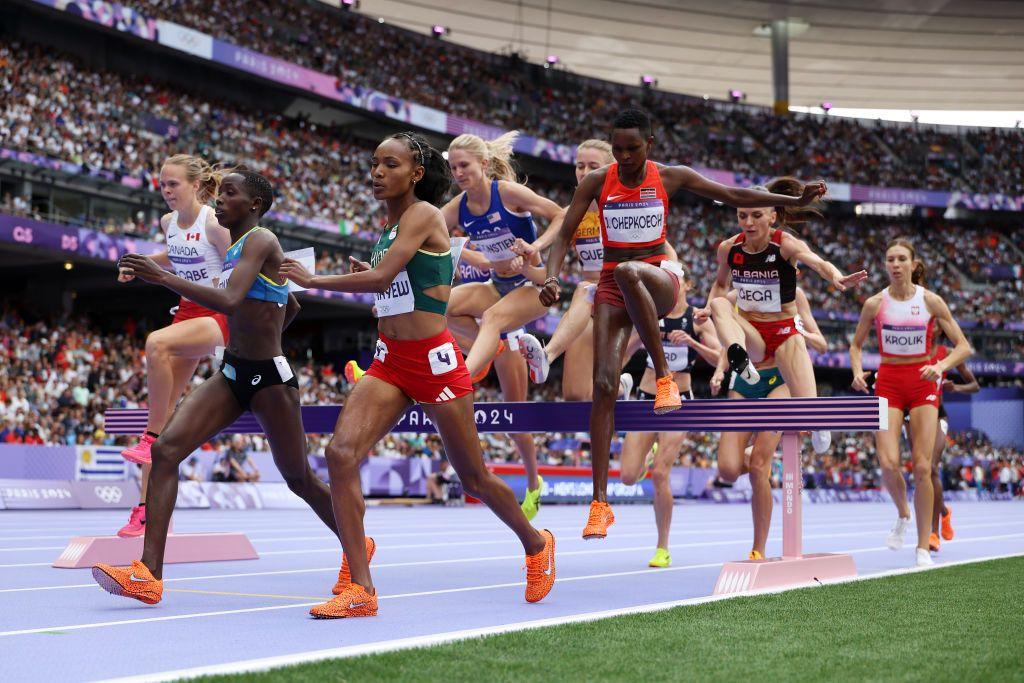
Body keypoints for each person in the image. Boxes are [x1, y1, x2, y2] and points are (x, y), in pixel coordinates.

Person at [280, 132, 555, 618]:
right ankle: (361, 589)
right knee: (340, 454)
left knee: (473, 476)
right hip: (390, 360)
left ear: (417, 174)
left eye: (390, 164)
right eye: (374, 164)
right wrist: (373, 271)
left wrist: (317, 280)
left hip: (433, 361)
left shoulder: (425, 214)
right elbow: (396, 281)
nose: (377, 172)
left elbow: (384, 279)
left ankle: (536, 544)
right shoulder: (389, 226)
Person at [540, 108, 830, 540]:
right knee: (603, 385)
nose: (624, 156)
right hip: (612, 287)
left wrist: (792, 202)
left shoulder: (670, 176)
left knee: (628, 271)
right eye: (617, 149)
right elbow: (563, 234)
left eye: (632, 148)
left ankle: (664, 380)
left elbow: (734, 194)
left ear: (649, 145)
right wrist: (552, 276)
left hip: (660, 277)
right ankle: (599, 504)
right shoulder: (597, 183)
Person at [92, 170, 345, 605]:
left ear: (255, 206)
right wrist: (261, 329)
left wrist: (163, 277)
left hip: (269, 379)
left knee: (298, 478)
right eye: (218, 191)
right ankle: (148, 574)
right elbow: (293, 301)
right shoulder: (235, 251)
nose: (220, 199)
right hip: (232, 372)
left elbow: (229, 303)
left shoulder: (261, 239)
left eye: (230, 193)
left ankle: (356, 542)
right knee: (166, 450)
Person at [439, 131, 566, 521]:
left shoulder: (507, 193)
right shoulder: (457, 208)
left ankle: (532, 481)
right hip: (496, 288)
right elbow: (427, 237)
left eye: (465, 165)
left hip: (533, 286)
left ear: (483, 165)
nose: (459, 172)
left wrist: (534, 247)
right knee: (440, 305)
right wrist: (480, 260)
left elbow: (561, 215)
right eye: (454, 167)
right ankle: (488, 345)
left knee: (515, 411)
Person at [697, 178, 867, 457]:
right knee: (719, 304)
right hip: (753, 336)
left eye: (756, 215)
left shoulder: (785, 244)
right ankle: (739, 359)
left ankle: (818, 419)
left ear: (773, 215)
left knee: (809, 414)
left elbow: (817, 262)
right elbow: (719, 285)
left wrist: (836, 277)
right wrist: (707, 306)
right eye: (742, 216)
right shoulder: (729, 248)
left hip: (785, 334)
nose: (748, 222)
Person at [116, 154, 231, 538]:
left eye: (173, 184)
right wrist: (141, 263)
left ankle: (147, 439)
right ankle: (143, 511)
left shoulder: (214, 223)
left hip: (218, 314)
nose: (166, 191)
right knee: (164, 422)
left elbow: (243, 261)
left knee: (156, 343)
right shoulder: (168, 223)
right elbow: (176, 253)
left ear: (195, 185)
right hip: (186, 313)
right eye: (162, 184)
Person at [850, 238, 972, 567]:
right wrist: (859, 371)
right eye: (890, 259)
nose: (895, 264)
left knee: (922, 466)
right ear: (886, 265)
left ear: (913, 264)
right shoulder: (875, 304)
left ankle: (922, 547)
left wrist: (940, 366)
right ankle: (903, 513)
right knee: (888, 464)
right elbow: (856, 346)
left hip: (922, 384)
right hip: (888, 382)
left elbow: (963, 347)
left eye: (902, 258)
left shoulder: (931, 301)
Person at [712, 287, 826, 560]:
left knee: (758, 468)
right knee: (727, 470)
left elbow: (821, 344)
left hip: (779, 378)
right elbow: (729, 341)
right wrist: (719, 371)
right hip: (745, 379)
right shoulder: (735, 295)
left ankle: (758, 549)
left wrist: (798, 332)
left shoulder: (795, 296)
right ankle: (758, 452)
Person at [617, 266, 721, 567]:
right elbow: (625, 350)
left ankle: (662, 547)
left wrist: (692, 343)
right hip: (646, 399)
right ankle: (647, 452)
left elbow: (721, 357)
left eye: (675, 281)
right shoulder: (651, 314)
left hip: (679, 404)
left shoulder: (697, 319)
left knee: (661, 474)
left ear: (685, 284)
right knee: (626, 477)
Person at [515, 140, 613, 400]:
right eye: (580, 166)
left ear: (611, 169)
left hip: (622, 296)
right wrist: (526, 266)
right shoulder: (574, 213)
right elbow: (548, 266)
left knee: (584, 289)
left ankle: (547, 355)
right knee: (575, 395)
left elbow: (665, 250)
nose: (584, 171)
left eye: (593, 166)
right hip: (592, 305)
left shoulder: (622, 206)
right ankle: (622, 388)